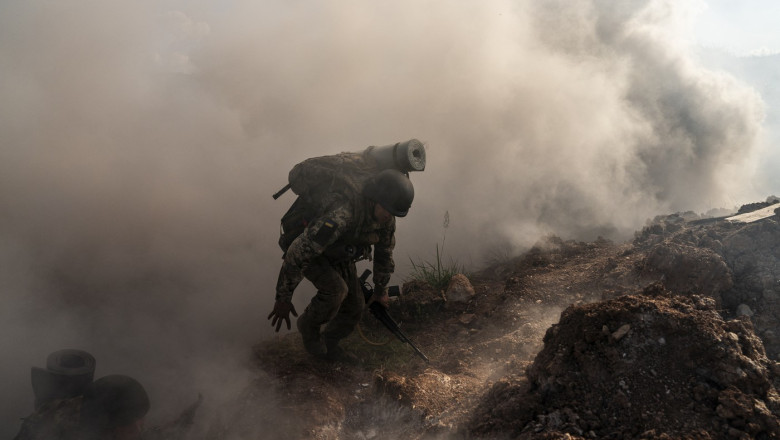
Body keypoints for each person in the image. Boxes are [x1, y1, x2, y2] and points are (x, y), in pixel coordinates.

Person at [268, 167, 415, 361]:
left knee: (355, 305)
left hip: (338, 251)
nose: (389, 216)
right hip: (310, 251)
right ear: (374, 199)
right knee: (337, 290)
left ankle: (330, 345)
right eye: (387, 209)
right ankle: (308, 328)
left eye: (393, 212)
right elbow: (298, 252)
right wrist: (283, 298)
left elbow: (384, 253)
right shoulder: (342, 215)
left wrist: (381, 290)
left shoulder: (386, 218)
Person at [14, 349, 150, 440]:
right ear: (109, 425)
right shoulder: (56, 426)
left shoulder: (111, 415)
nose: (138, 429)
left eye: (141, 421)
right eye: (131, 427)